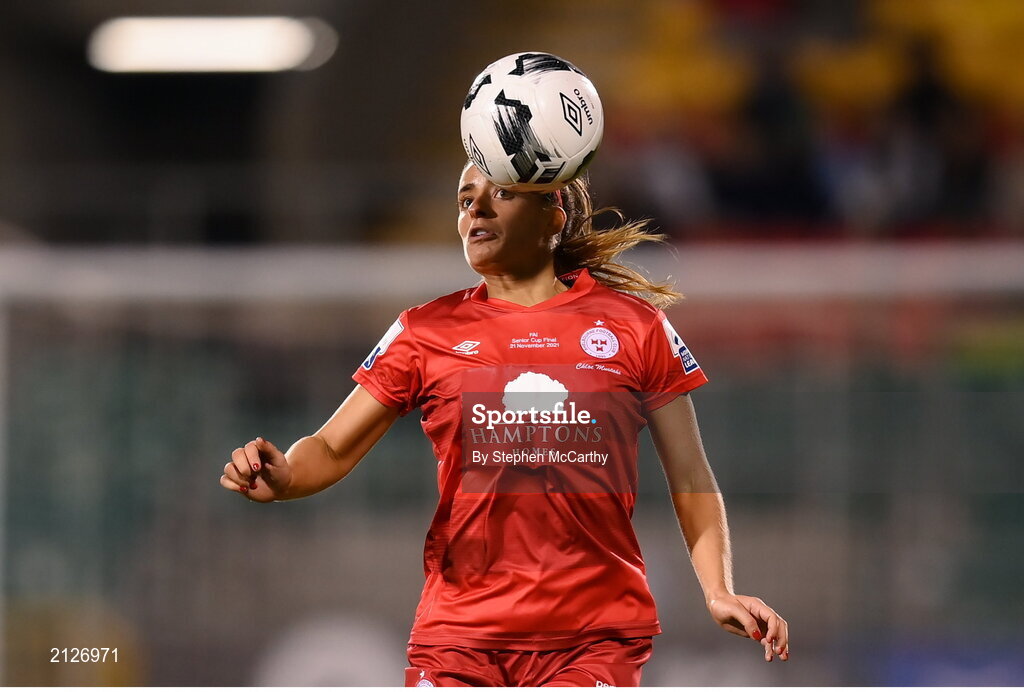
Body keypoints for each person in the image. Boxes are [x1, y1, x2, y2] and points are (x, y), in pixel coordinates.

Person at [221, 163, 789, 686]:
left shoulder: (636, 327)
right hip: (459, 635)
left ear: (555, 214)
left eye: (502, 195)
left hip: (592, 636)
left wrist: (718, 589)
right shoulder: (424, 331)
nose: (477, 211)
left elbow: (690, 472)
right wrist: (287, 475)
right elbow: (331, 446)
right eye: (466, 199)